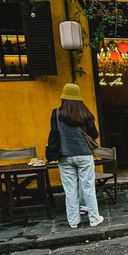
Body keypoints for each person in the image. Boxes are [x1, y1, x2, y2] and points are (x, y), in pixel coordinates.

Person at [51, 83, 104, 229]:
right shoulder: (86, 114)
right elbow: (94, 134)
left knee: (70, 190)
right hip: (84, 155)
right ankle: (94, 218)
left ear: (63, 97)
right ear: (78, 98)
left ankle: (73, 221)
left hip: (65, 156)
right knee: (88, 187)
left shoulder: (56, 113)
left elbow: (54, 134)